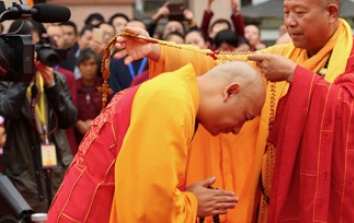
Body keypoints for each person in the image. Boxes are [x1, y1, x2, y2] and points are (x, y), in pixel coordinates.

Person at [113, 0, 354, 222]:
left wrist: (297, 76)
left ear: (331, 12)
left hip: (338, 191)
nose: (290, 22)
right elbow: (223, 65)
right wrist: (158, 50)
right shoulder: (285, 55)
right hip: (285, 184)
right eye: (286, 13)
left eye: (299, 13)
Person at [47, 61, 266, 222]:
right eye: (245, 117)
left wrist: (181, 196)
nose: (237, 130)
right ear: (230, 91)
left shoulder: (173, 91)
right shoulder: (170, 101)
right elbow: (148, 208)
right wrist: (192, 204)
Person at [0, 22, 77, 212]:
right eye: (28, 52)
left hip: (57, 166)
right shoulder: (6, 81)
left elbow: (69, 119)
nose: (34, 57)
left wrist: (52, 87)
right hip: (23, 169)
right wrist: (23, 79)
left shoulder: (57, 78)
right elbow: (7, 110)